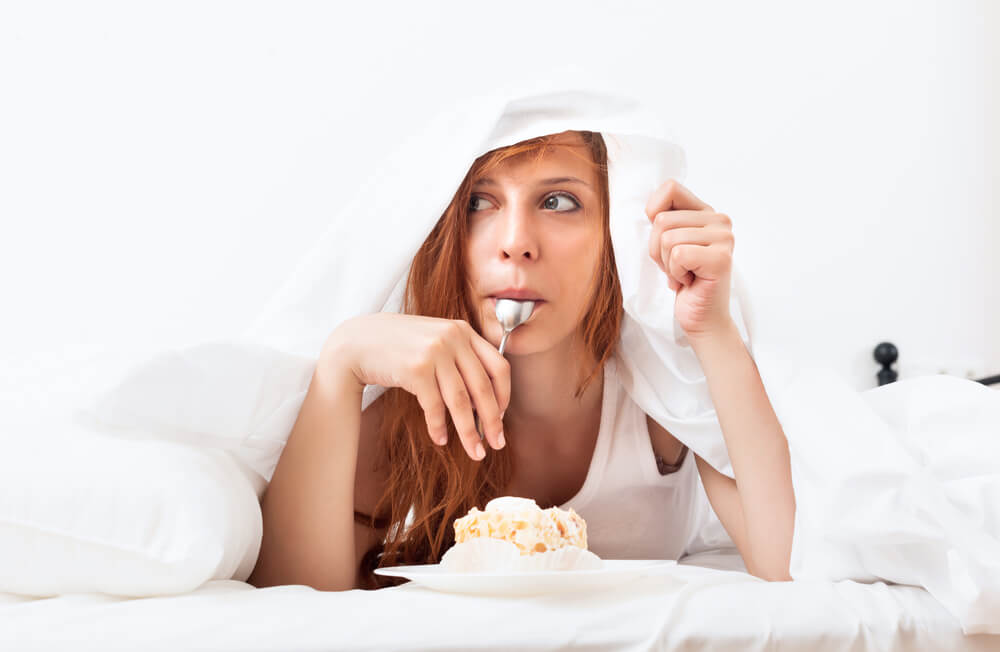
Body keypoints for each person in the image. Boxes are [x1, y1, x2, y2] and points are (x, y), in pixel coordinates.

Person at [247, 128, 795, 592]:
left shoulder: (659, 399)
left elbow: (787, 566)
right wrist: (342, 362)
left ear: (615, 236)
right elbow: (292, 607)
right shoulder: (407, 421)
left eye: (558, 201)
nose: (515, 243)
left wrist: (712, 328)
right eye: (478, 203)